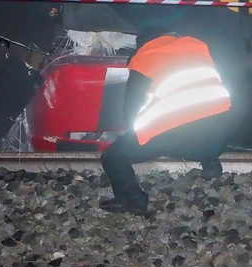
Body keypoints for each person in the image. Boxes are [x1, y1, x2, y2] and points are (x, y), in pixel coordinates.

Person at [99, 28, 233, 216]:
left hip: (174, 137)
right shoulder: (198, 45)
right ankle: (210, 164)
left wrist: (135, 135)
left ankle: (131, 197)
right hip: (216, 139)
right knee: (201, 120)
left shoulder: (145, 55)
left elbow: (130, 112)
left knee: (112, 156)